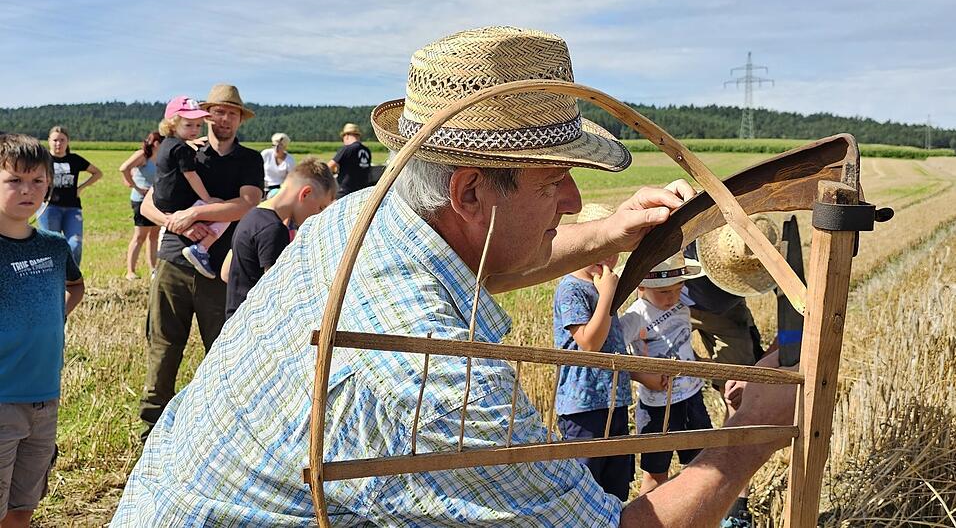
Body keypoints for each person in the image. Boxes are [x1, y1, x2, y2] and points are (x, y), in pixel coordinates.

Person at [112, 27, 796, 527]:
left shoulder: (362, 215)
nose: (571, 202)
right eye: (555, 182)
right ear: (469, 192)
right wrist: (753, 435)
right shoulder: (437, 379)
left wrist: (610, 234)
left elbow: (477, 264)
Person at [136, 84, 263, 440]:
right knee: (163, 347)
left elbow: (248, 203)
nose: (224, 119)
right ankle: (151, 428)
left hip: (221, 271)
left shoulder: (249, 160)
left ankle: (215, 428)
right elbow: (149, 204)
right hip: (174, 262)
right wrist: (174, 222)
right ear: (207, 114)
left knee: (220, 350)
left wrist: (197, 214)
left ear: (240, 119)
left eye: (232, 113)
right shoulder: (183, 151)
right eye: (218, 111)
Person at [0, 134, 85, 528]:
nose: (27, 190)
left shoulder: (53, 246)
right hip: (2, 400)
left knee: (23, 508)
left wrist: (54, 318)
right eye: (14, 180)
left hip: (45, 399)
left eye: (37, 181)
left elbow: (76, 286)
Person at [685, 214, 780, 526]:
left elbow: (796, 319)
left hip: (728, 315)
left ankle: (735, 506)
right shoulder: (688, 234)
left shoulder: (769, 255)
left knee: (737, 401)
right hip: (674, 303)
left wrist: (759, 368)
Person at [552, 203, 633, 501]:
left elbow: (614, 346)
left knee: (615, 486)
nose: (610, 258)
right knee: (586, 487)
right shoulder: (572, 289)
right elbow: (589, 343)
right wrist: (608, 295)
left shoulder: (600, 285)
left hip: (614, 400)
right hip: (583, 405)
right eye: (603, 249)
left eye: (616, 249)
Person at [619, 253, 712, 496]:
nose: (671, 298)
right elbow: (614, 356)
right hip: (657, 406)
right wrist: (642, 376)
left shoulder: (682, 308)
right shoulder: (635, 317)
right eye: (663, 292)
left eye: (677, 289)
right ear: (641, 286)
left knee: (700, 464)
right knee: (655, 473)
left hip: (691, 397)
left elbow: (684, 343)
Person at [222, 156, 336, 319]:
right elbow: (278, 294)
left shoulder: (251, 216)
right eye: (320, 207)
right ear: (306, 193)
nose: (319, 215)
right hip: (255, 324)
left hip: (234, 318)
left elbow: (226, 273)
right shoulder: (274, 229)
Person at [153, 95, 231, 279]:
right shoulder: (183, 149)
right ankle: (201, 248)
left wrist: (188, 144)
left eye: (198, 125)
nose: (195, 129)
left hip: (162, 202)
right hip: (178, 203)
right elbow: (191, 175)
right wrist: (207, 199)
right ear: (172, 124)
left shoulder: (168, 144)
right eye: (188, 125)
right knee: (224, 212)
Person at [37, 126, 102, 266]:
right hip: (49, 208)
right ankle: (53, 280)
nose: (58, 143)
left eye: (62, 140)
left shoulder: (75, 159)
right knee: (50, 247)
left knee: (75, 244)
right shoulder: (42, 160)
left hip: (72, 208)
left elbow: (97, 173)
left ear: (68, 142)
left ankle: (72, 279)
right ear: (49, 141)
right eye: (55, 140)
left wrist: (81, 188)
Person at [118, 131, 163, 280]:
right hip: (141, 200)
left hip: (157, 201)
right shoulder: (143, 156)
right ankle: (130, 271)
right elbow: (124, 168)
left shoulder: (161, 158)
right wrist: (135, 186)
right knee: (140, 236)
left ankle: (153, 269)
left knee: (154, 236)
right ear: (156, 143)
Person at [328, 122, 371, 197]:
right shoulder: (367, 150)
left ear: (346, 136)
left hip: (346, 192)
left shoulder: (347, 149)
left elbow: (329, 166)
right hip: (362, 192)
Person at [260, 132, 294, 198]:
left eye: (279, 146)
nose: (276, 148)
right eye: (274, 145)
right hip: (264, 187)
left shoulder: (290, 160)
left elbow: (291, 178)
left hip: (280, 189)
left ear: (285, 146)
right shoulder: (265, 154)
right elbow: (257, 170)